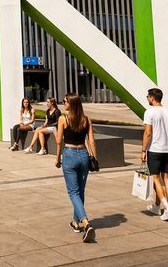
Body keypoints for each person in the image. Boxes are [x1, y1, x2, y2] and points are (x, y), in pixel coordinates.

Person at [55, 93, 97, 243]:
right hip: (84, 155)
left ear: (71, 104)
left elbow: (59, 141)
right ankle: (75, 222)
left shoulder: (63, 119)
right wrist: (95, 159)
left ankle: (86, 223)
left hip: (69, 154)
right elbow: (92, 141)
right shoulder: (86, 119)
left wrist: (57, 158)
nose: (63, 103)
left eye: (65, 101)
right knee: (80, 191)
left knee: (73, 192)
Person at [142, 87, 168, 222]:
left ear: (152, 98)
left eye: (148, 96)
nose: (147, 98)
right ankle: (159, 206)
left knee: (156, 179)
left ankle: (167, 209)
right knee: (167, 178)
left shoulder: (149, 112)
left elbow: (148, 133)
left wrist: (143, 150)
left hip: (155, 150)